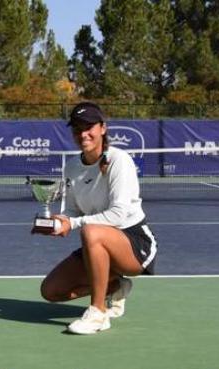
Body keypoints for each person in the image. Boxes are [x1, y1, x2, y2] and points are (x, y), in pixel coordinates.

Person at [39, 101, 157, 335]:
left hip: (134, 243)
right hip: (97, 244)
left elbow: (118, 214)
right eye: (77, 128)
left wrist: (72, 224)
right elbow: (73, 210)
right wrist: (58, 221)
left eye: (89, 127)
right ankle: (116, 285)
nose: (83, 133)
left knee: (90, 231)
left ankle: (98, 313)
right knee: (50, 291)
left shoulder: (119, 160)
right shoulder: (72, 167)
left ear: (103, 128)